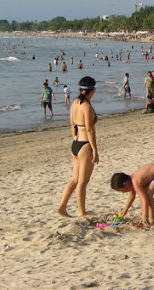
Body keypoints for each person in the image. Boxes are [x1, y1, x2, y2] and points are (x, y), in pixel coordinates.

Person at [58, 76, 99, 218]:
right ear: (93, 90)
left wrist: (74, 139)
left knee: (74, 179)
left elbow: (72, 124)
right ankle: (81, 211)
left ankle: (63, 206)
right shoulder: (87, 106)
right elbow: (90, 130)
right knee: (82, 181)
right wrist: (95, 149)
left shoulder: (75, 102)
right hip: (85, 144)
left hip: (75, 143)